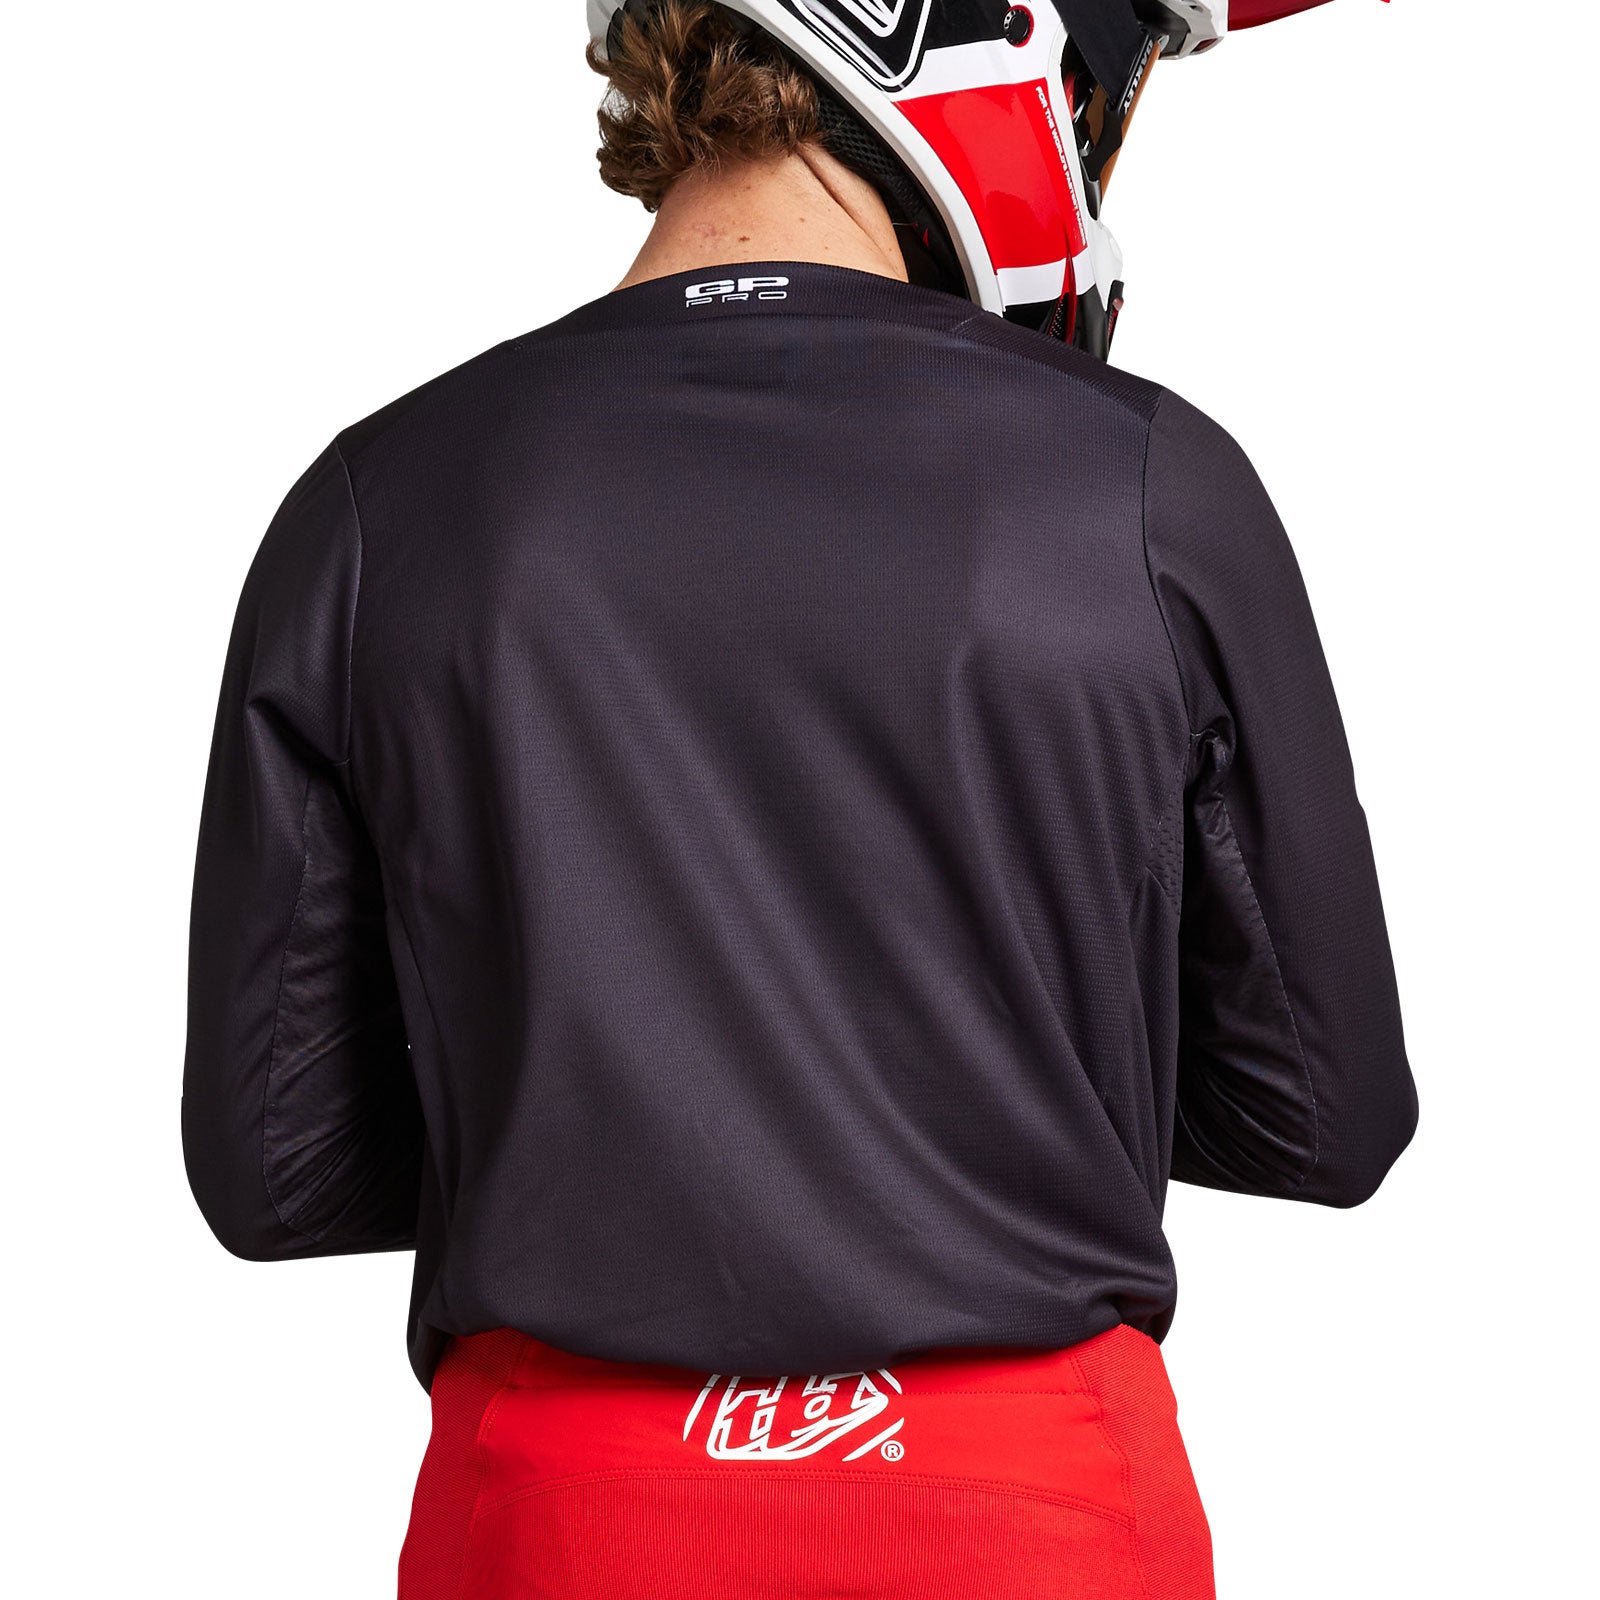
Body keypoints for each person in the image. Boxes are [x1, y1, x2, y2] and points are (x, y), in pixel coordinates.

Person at [181, 2, 1418, 1595]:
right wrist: (1001, 1071)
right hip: (1025, 1506)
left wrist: (578, 1090)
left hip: (562, 1507)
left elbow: (274, 1171)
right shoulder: (1147, 483)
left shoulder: (381, 501)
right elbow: (1325, 1117)